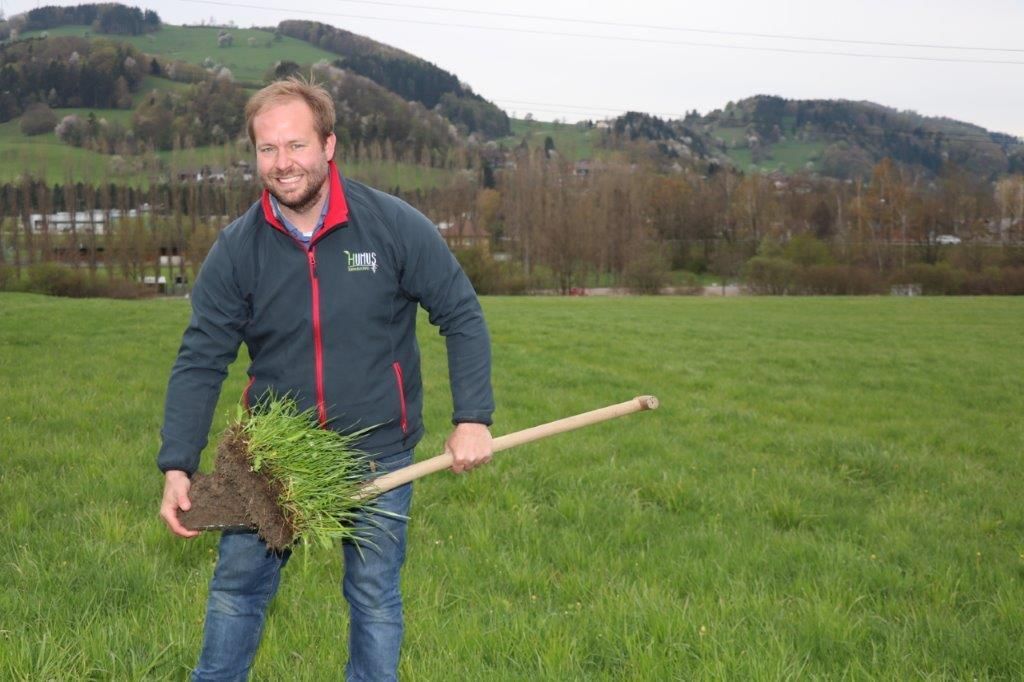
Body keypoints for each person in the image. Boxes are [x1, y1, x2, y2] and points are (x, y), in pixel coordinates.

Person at [157, 77, 494, 681]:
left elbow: (461, 312)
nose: (283, 163)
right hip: (271, 458)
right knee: (237, 591)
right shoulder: (238, 248)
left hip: (378, 452)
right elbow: (201, 356)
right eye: (267, 149)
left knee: (372, 596)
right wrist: (177, 463)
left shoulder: (390, 225)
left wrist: (472, 419)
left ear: (329, 145)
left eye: (297, 145)